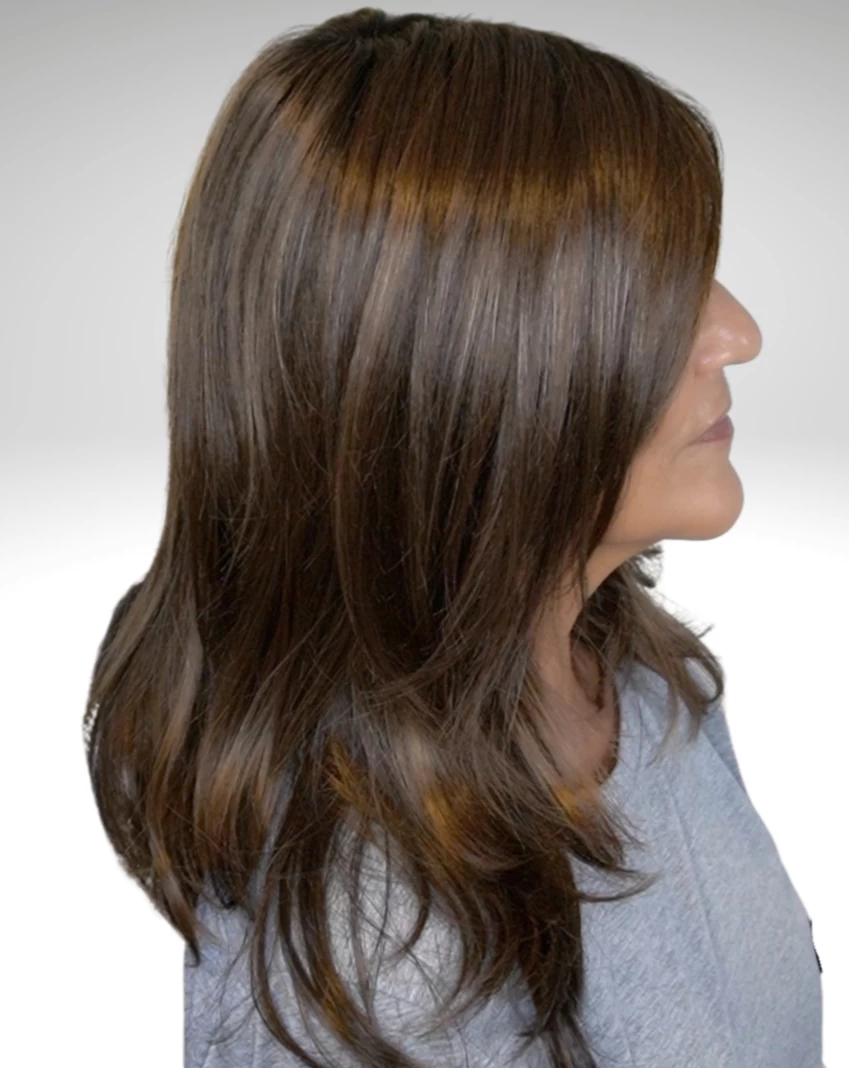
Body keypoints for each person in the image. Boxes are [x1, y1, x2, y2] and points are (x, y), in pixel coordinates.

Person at [82, 8, 824, 1067]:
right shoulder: (375, 971)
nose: (738, 333)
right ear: (458, 366)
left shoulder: (641, 683)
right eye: (656, 290)